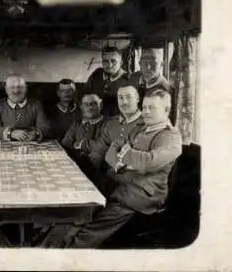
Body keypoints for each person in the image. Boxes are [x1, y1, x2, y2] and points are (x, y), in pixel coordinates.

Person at [40, 89, 182, 248]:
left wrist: (125, 154)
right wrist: (127, 161)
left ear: (166, 109)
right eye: (145, 107)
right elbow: (112, 151)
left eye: (152, 108)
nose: (146, 112)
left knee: (90, 228)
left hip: (137, 194)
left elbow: (147, 162)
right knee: (74, 213)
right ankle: (46, 247)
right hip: (113, 184)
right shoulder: (139, 128)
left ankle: (66, 255)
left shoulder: (170, 137)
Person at [88, 83, 144, 196]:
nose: (124, 102)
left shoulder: (146, 124)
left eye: (129, 97)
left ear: (137, 98)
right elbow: (98, 152)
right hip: (107, 183)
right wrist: (88, 175)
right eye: (121, 98)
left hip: (131, 186)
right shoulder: (111, 123)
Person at [0, 74, 51, 141]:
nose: (16, 91)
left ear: (26, 89)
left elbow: (45, 127)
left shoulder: (36, 105)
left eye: (20, 87)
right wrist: (11, 133)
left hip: (30, 142)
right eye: (12, 87)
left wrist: (35, 134)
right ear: (6, 89)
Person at [61, 94, 104, 175]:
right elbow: (66, 143)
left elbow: (102, 147)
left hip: (97, 170)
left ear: (101, 105)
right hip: (75, 165)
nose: (90, 107)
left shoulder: (107, 124)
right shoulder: (77, 123)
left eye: (93, 104)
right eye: (86, 104)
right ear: (81, 107)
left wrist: (81, 144)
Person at [85, 46, 130, 117]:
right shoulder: (97, 74)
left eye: (113, 61)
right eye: (105, 61)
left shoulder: (129, 79)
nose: (109, 65)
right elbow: (86, 95)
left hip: (117, 122)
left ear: (121, 63)